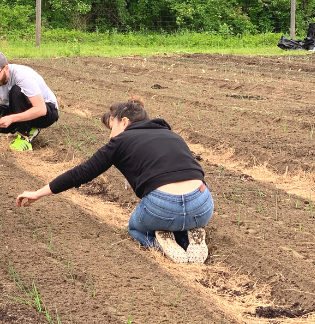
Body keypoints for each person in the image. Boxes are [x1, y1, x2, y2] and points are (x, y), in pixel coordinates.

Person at [15, 98, 212, 264]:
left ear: (124, 122)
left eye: (112, 127)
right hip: (202, 204)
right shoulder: (171, 135)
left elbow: (81, 173)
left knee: (135, 226)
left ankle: (160, 243)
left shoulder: (120, 142)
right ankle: (189, 236)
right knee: (182, 207)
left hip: (162, 207)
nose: (110, 135)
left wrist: (38, 193)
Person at [0, 51, 59, 151]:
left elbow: (41, 109)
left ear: (6, 68)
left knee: (16, 91)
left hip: (47, 113)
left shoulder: (22, 76)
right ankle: (8, 129)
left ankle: (24, 136)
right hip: (18, 109)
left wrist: (12, 118)